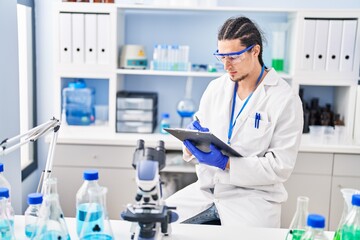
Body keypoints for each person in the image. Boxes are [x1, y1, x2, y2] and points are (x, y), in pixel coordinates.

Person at [165, 16, 304, 227]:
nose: (226, 65)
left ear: (255, 51)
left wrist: (226, 162)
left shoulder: (284, 98)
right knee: (154, 222)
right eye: (221, 57)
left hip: (253, 200)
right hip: (207, 192)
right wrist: (191, 142)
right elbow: (200, 133)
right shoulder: (215, 88)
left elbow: (279, 167)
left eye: (233, 57)